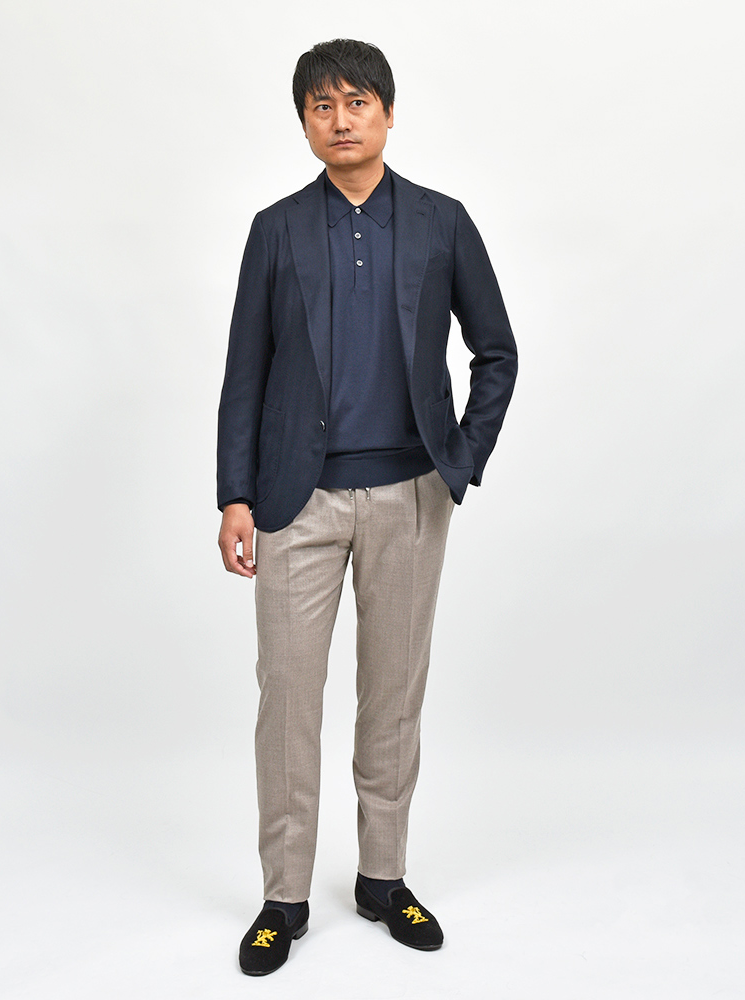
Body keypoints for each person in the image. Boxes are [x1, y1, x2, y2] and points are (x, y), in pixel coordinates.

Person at [217, 38, 517, 976]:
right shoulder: (276, 230)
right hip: (293, 502)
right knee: (287, 700)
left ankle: (383, 880)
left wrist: (460, 460)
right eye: (322, 106)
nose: (339, 120)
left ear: (387, 112)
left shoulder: (440, 222)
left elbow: (497, 352)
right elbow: (244, 372)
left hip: (411, 497)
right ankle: (284, 895)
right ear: (304, 123)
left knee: (393, 697)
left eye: (356, 102)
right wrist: (235, 495)